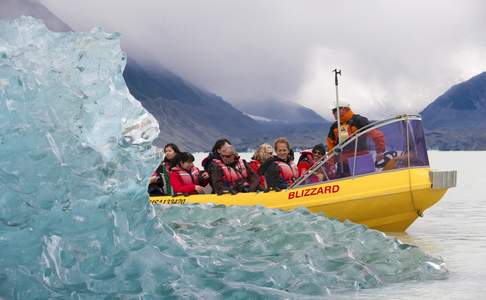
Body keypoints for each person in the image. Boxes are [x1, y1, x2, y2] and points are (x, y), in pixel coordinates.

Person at [326, 102, 385, 177]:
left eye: (335, 110)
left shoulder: (359, 120)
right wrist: (331, 164)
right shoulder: (335, 126)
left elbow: (377, 135)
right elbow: (330, 146)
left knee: (366, 185)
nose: (333, 113)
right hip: (343, 164)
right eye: (332, 111)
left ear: (344, 109)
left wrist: (380, 152)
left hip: (361, 160)